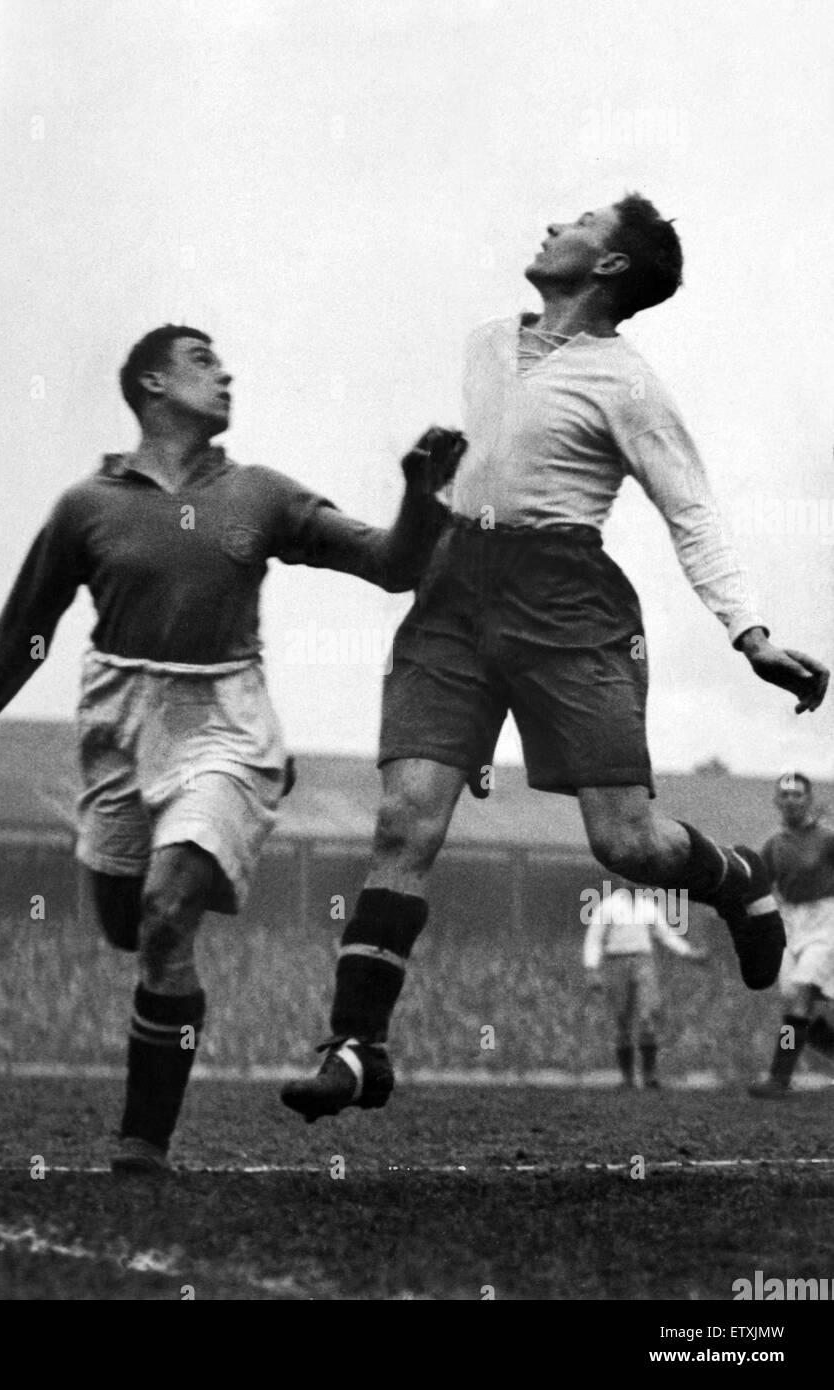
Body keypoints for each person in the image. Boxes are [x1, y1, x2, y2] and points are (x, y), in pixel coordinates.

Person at [282, 193, 829, 1123]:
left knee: (625, 843)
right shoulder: (487, 342)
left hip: (565, 600)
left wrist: (751, 633)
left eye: (579, 219)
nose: (552, 224)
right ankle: (356, 1046)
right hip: (456, 592)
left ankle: (737, 879)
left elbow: (689, 509)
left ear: (609, 266)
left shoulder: (630, 384)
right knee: (405, 822)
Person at [0, 324, 461, 1173]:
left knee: (167, 912)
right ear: (150, 386)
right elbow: (25, 631)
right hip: (116, 724)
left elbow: (392, 565)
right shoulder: (87, 507)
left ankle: (141, 1145)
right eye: (202, 359)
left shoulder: (261, 494)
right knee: (128, 925)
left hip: (224, 724)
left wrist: (421, 498)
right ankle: (151, 1057)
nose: (226, 371)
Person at [748, 772, 834, 1098]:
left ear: (809, 800)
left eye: (798, 794)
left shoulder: (828, 839)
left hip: (826, 920)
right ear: (776, 802)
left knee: (799, 996)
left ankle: (778, 1078)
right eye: (784, 795)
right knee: (796, 1005)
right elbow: (758, 886)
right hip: (792, 923)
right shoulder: (773, 844)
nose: (791, 800)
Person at [583, 885, 706, 1089]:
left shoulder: (648, 906)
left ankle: (649, 1075)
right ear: (620, 879)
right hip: (616, 961)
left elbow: (666, 935)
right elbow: (594, 938)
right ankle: (627, 1077)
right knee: (622, 1019)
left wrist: (688, 953)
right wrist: (591, 969)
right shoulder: (608, 905)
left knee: (648, 1015)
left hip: (643, 960)